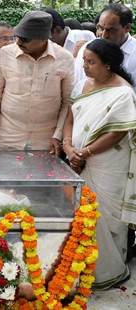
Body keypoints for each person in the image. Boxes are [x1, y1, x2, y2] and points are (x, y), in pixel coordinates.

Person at [62, 38, 136, 290]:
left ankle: (109, 271)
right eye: (83, 60)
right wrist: (67, 146)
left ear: (108, 64)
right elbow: (69, 118)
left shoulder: (123, 92)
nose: (84, 66)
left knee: (106, 217)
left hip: (108, 164)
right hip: (78, 160)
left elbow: (116, 133)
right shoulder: (83, 85)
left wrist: (84, 153)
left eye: (91, 62)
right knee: (81, 215)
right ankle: (78, 271)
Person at [0, 11, 74, 153]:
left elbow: (67, 103)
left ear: (43, 38)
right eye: (17, 37)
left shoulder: (64, 58)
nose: (18, 42)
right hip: (7, 141)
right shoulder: (6, 54)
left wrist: (57, 136)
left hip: (45, 144)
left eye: (25, 39)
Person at [75, 4, 136, 92]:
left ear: (127, 28)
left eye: (110, 30)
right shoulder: (86, 49)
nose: (103, 35)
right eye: (100, 28)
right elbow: (78, 83)